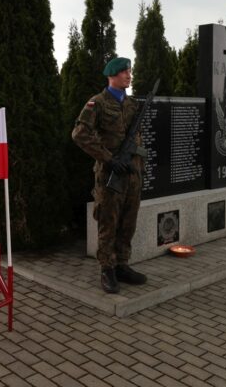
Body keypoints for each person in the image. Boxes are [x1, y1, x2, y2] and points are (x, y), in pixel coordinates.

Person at [72, 57, 147, 294]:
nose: (129, 75)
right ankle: (107, 269)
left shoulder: (132, 104)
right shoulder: (98, 103)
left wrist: (138, 164)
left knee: (128, 221)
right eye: (124, 72)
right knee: (109, 222)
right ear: (112, 75)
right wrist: (108, 158)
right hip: (110, 174)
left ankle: (122, 265)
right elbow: (79, 134)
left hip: (132, 173)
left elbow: (137, 138)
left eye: (129, 71)